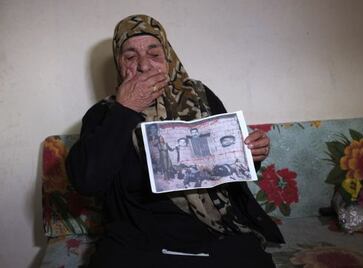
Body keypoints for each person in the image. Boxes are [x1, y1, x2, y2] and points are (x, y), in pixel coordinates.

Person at [66, 14, 284, 268]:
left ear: (168, 58)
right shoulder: (103, 115)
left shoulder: (201, 98)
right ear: (119, 63)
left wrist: (252, 153)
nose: (144, 66)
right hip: (137, 241)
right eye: (130, 56)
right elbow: (88, 181)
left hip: (214, 232)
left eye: (154, 54)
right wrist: (125, 110)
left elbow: (229, 166)